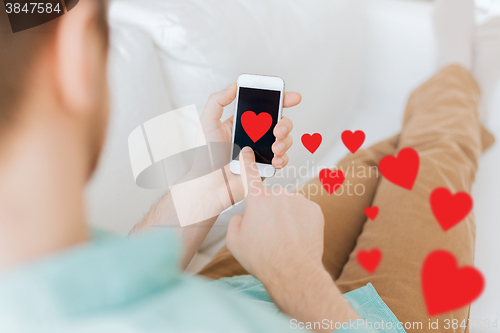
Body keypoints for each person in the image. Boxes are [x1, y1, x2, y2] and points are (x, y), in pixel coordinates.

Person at [0, 0, 497, 333]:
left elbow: (102, 287)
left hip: (242, 282)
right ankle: (456, 75)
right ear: (77, 55)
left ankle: (445, 104)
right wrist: (296, 281)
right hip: (332, 313)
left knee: (383, 162)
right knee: (435, 157)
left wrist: (207, 190)